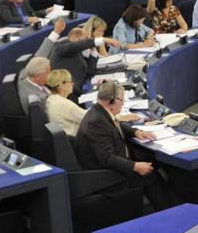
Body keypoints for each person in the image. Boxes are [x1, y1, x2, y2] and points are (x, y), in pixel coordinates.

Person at [73, 80, 174, 211]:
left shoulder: (99, 112)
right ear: (111, 101)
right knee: (151, 176)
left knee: (149, 162)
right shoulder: (96, 123)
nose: (123, 103)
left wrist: (135, 132)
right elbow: (107, 158)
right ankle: (170, 212)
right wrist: (135, 166)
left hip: (111, 164)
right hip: (106, 176)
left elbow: (114, 126)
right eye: (121, 100)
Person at [44, 70, 87, 137]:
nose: (72, 84)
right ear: (61, 85)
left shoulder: (50, 99)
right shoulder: (64, 104)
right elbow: (89, 118)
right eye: (70, 81)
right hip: (77, 138)